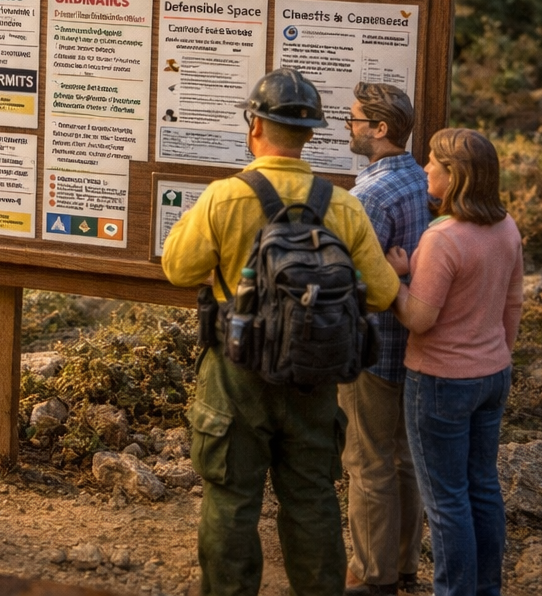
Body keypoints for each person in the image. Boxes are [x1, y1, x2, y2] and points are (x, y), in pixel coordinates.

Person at [162, 67, 399, 596]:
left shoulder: (226, 197)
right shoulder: (343, 205)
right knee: (312, 499)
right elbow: (381, 294)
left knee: (230, 499)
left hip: (235, 370)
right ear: (311, 133)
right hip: (314, 377)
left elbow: (177, 269)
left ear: (254, 127)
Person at [386, 129, 522, 596]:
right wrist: (494, 353)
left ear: (456, 175)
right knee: (482, 487)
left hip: (440, 381)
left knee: (446, 502)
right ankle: (486, 590)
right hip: (492, 375)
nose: (425, 170)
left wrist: (394, 283)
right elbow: (513, 303)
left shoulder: (443, 237)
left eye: (433, 164)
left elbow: (420, 319)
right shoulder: (506, 226)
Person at [340, 83, 431, 596]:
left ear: (380, 128)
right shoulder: (421, 179)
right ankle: (402, 565)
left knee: (366, 462)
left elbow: (360, 285)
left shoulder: (369, 196)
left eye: (354, 120)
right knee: (402, 459)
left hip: (373, 350)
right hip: (414, 348)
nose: (348, 127)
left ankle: (370, 576)